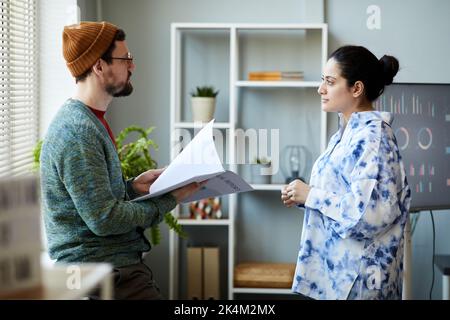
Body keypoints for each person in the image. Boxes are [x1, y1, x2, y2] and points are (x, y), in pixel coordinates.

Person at [40, 21, 202, 300]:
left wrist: (132, 188)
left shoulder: (89, 121)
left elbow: (93, 203)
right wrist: (170, 198)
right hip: (101, 278)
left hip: (111, 270)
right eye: (125, 58)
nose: (132, 66)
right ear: (98, 66)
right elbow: (104, 219)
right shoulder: (78, 131)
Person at [281, 45, 411, 300]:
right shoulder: (344, 135)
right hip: (336, 280)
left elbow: (368, 216)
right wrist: (302, 196)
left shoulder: (374, 138)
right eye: (322, 81)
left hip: (360, 283)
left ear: (356, 88)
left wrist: (311, 195)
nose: (321, 89)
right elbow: (338, 195)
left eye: (330, 82)